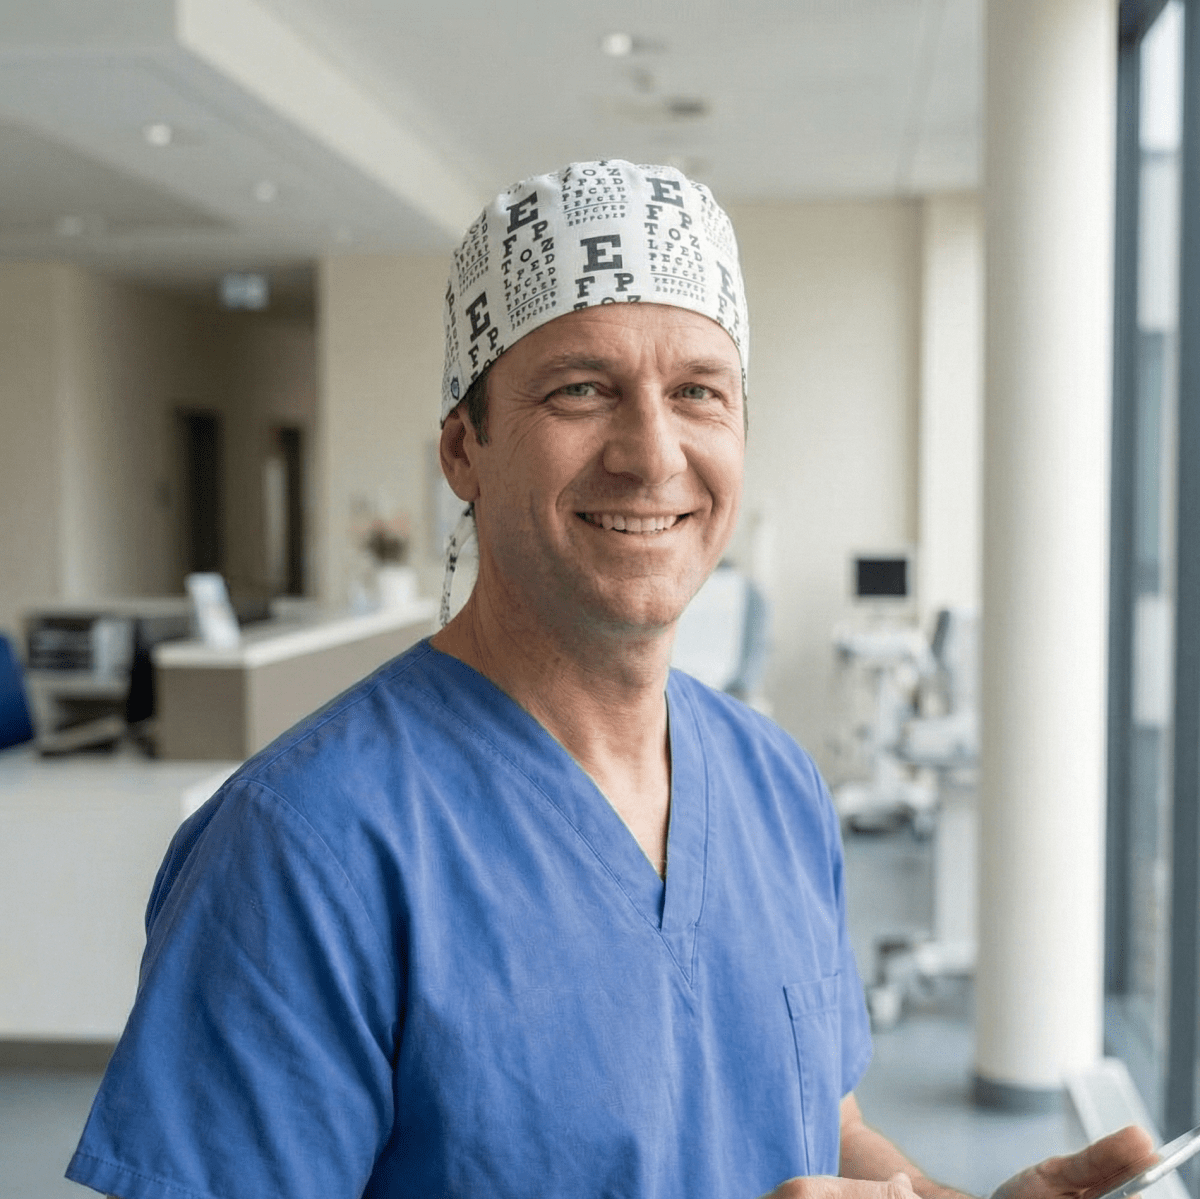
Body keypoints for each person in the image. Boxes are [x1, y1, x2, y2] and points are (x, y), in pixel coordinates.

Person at [67, 161, 1151, 1199]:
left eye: (697, 391)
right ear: (464, 448)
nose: (652, 452)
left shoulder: (775, 782)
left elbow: (829, 1124)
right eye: (582, 389)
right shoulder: (303, 847)